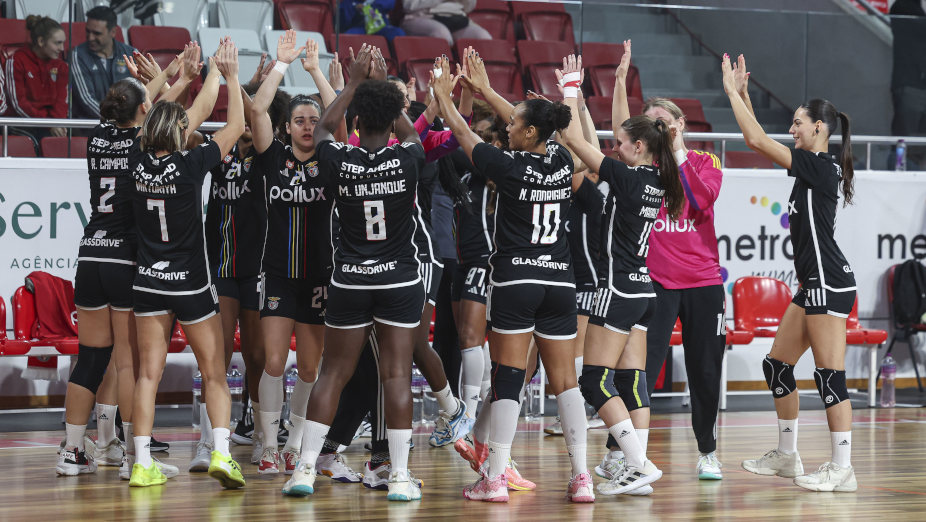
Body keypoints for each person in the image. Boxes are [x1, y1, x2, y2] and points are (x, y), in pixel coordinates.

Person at [435, 52, 594, 503]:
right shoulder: (562, 161)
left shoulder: (508, 166)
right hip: (560, 282)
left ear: (529, 133)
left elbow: (464, 134)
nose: (506, 126)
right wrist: (486, 91)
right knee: (566, 382)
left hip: (516, 280)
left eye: (514, 123)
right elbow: (528, 124)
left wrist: (447, 98)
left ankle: (495, 478)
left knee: (507, 377)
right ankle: (581, 477)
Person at [280, 45, 425, 502]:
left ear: (357, 124)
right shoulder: (408, 158)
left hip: (351, 280)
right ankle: (399, 476)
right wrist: (385, 94)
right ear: (393, 120)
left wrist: (356, 83)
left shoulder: (340, 161)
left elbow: (324, 125)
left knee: (332, 374)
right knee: (397, 377)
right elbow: (413, 136)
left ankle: (303, 469)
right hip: (398, 279)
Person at [722, 54, 858, 492]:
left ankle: (842, 467)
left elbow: (757, 140)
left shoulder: (819, 166)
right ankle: (787, 456)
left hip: (830, 283)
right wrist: (744, 94)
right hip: (811, 285)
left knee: (828, 375)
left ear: (819, 127)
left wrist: (730, 93)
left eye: (799, 123)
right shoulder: (809, 165)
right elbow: (765, 137)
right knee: (777, 364)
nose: (793, 129)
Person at [55, 55, 185, 479]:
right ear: (143, 110)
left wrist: (158, 80)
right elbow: (160, 110)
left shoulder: (96, 138)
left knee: (90, 359)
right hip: (124, 258)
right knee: (129, 363)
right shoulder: (142, 142)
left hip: (90, 252)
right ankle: (135, 457)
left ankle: (73, 452)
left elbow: (142, 104)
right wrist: (180, 77)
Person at [558, 54, 681, 497]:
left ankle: (637, 463)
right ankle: (636, 471)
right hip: (643, 289)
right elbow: (586, 165)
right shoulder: (655, 180)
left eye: (620, 144)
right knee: (630, 379)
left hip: (617, 290)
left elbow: (574, 136)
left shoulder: (629, 179)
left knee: (593, 379)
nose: (614, 149)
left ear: (640, 149)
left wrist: (570, 88)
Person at [606, 40, 726, 482]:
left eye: (665, 123)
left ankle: (707, 451)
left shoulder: (702, 160)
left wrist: (677, 152)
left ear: (680, 125)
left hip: (702, 283)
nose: (659, 130)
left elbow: (700, 198)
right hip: (653, 284)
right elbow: (622, 132)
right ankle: (621, 453)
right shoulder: (639, 167)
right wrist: (619, 81)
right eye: (652, 125)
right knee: (637, 369)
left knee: (705, 369)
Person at [128, 38, 245, 489]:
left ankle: (142, 463)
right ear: (180, 133)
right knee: (214, 372)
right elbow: (235, 124)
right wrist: (228, 76)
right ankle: (221, 453)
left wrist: (179, 82)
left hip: (148, 282)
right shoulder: (192, 163)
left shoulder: (136, 162)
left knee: (147, 375)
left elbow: (150, 124)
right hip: (191, 283)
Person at [248, 32, 341, 476]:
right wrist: (282, 66)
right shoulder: (272, 157)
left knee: (309, 368)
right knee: (272, 361)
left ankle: (296, 443)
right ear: (287, 126)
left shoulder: (331, 159)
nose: (306, 125)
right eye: (299, 119)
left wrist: (318, 73)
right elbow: (254, 110)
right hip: (279, 273)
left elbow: (340, 117)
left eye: (312, 120)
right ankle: (268, 444)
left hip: (320, 278)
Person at [70, 5, 137, 121]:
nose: (90, 37)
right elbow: (86, 99)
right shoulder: (77, 55)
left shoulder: (132, 54)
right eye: (88, 31)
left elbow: (143, 91)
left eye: (97, 33)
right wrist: (114, 120)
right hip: (92, 127)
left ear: (113, 32)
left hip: (127, 124)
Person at [6, 15, 68, 140]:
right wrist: (48, 124)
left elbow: (62, 101)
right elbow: (19, 104)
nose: (62, 49)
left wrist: (58, 123)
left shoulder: (61, 66)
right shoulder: (16, 61)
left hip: (52, 124)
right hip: (23, 123)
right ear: (41, 42)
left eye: (63, 43)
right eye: (58, 43)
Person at [890, 0, 926, 169]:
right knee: (903, 139)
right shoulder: (903, 7)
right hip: (909, 85)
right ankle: (899, 171)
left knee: (917, 141)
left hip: (916, 85)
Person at [400, 0, 491, 45]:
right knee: (442, 35)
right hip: (421, 15)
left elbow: (469, 7)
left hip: (455, 16)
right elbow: (408, 5)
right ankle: (446, 77)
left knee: (483, 37)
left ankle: (483, 80)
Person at [339, 0, 406, 42]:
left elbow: (390, 4)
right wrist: (355, 9)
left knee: (398, 33)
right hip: (361, 29)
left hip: (381, 28)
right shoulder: (348, 2)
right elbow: (343, 23)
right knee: (347, 36)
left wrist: (371, 6)